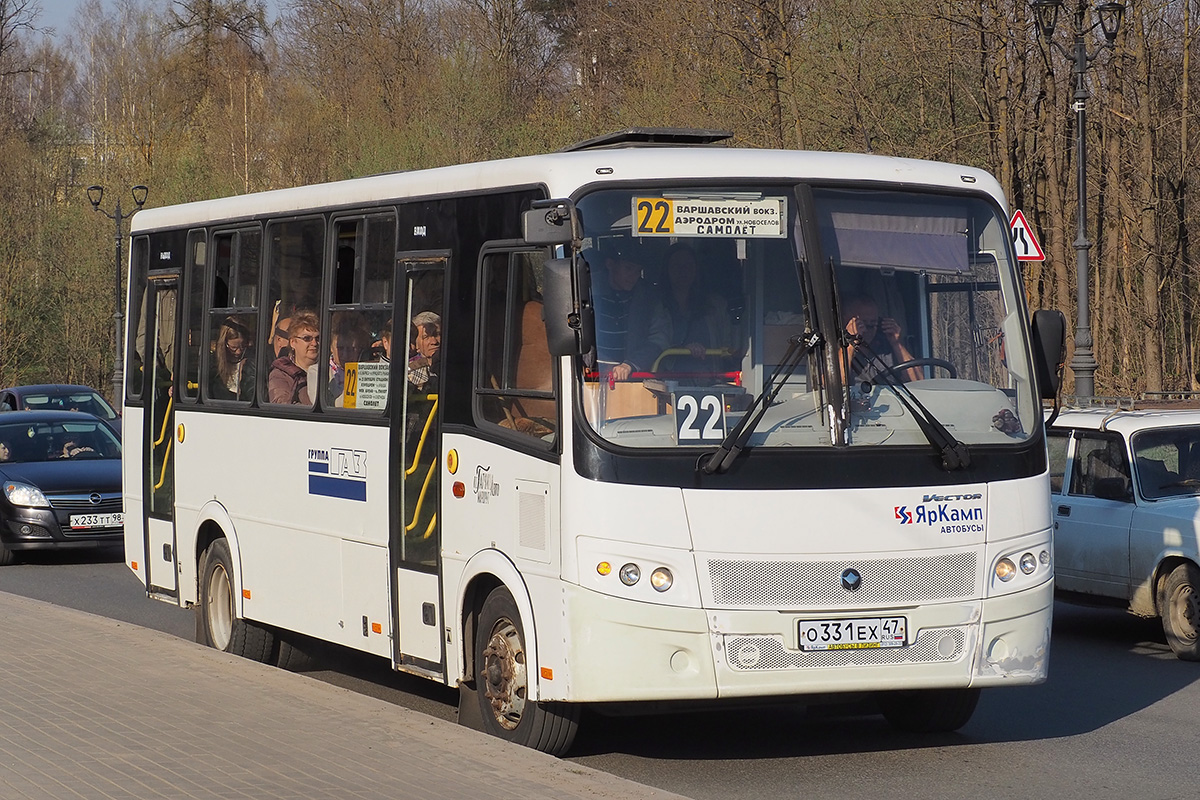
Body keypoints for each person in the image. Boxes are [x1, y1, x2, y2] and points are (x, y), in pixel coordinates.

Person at [636, 242, 734, 374]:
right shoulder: (655, 304)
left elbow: (727, 346)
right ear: (667, 270)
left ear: (696, 269)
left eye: (688, 266)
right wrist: (681, 349)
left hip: (709, 381)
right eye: (677, 266)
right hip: (665, 382)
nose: (683, 271)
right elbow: (653, 342)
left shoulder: (716, 305)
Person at [592, 241, 659, 381]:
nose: (633, 276)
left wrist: (631, 365)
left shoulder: (648, 298)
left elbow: (659, 338)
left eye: (637, 271)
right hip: (591, 379)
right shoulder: (587, 294)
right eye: (628, 268)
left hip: (635, 379)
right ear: (610, 264)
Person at [841, 293, 922, 384]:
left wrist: (897, 344)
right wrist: (850, 345)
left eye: (873, 322)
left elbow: (918, 382)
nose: (869, 329)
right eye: (863, 323)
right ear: (847, 321)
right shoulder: (833, 350)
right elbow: (836, 385)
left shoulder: (887, 348)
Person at [268, 312, 320, 404]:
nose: (314, 343)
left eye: (318, 338)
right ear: (292, 342)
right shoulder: (280, 374)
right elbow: (282, 406)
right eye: (307, 338)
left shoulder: (329, 370)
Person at [209, 316, 256, 401]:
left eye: (242, 347)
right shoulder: (214, 365)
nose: (238, 352)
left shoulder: (251, 361)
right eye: (234, 347)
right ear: (224, 344)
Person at [408, 311, 441, 392]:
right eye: (426, 337)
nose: (434, 341)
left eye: (437, 334)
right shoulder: (410, 373)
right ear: (417, 344)